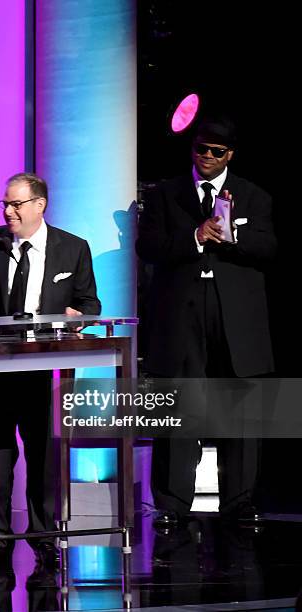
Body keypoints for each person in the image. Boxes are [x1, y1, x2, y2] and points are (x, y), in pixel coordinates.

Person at [136, 116, 276, 528]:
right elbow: (149, 246)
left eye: (217, 151)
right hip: (182, 318)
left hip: (235, 319)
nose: (207, 157)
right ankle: (173, 502)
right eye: (201, 149)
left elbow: (269, 248)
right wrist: (195, 236)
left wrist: (233, 236)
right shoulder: (166, 195)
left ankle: (240, 501)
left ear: (229, 154)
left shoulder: (254, 197)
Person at [0, 172, 101, 570]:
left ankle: (45, 537)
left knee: (44, 455)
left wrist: (79, 316)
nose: (8, 211)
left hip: (47, 372)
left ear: (40, 205)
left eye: (16, 204)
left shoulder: (73, 248)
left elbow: (90, 302)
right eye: (4, 204)